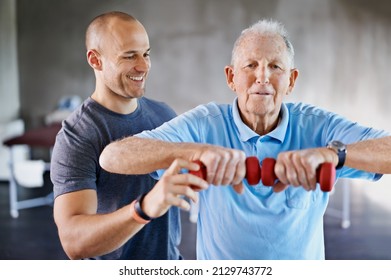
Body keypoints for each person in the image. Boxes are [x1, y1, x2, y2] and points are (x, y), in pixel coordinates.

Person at [99, 18, 391, 260]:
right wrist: (197, 152)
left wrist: (333, 155)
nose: (262, 77)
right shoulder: (204, 124)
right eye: (250, 65)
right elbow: (112, 157)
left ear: (291, 81)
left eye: (275, 66)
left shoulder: (319, 126)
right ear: (231, 77)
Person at [50, 11, 207, 260]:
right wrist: (143, 208)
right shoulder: (77, 135)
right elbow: (74, 242)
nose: (143, 66)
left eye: (146, 54)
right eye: (129, 55)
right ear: (95, 60)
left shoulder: (164, 114)